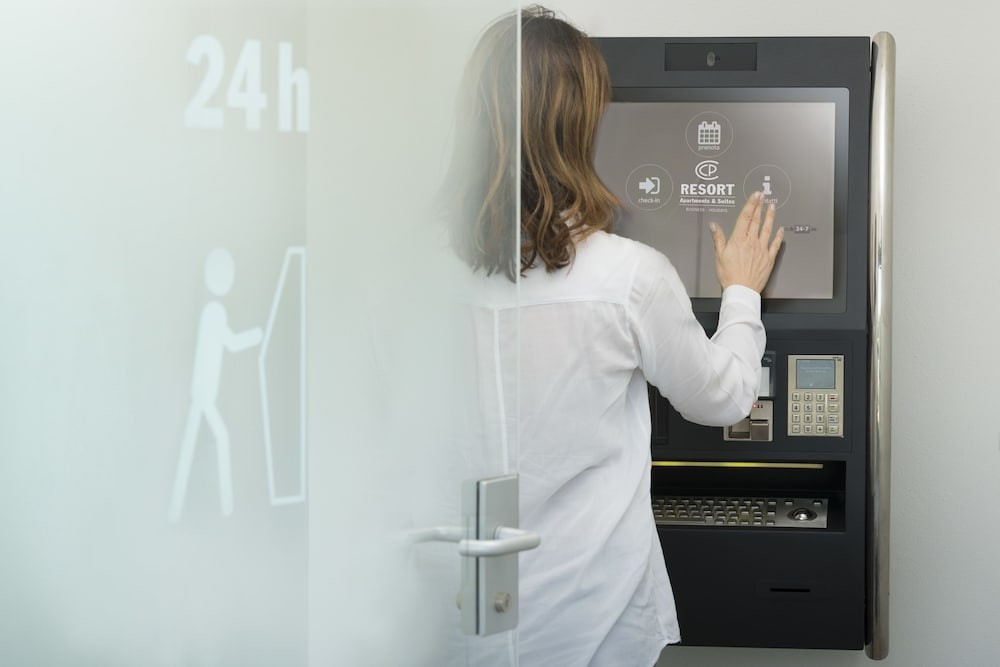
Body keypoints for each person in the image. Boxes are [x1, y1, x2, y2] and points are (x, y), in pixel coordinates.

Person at [447, 6, 783, 665]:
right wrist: (742, 292)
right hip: (590, 620)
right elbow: (723, 398)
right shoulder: (628, 276)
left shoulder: (407, 275)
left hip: (461, 620)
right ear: (580, 126)